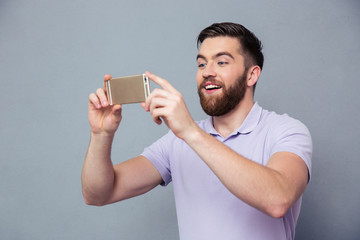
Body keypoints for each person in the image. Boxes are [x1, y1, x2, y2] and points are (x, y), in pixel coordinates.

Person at [82, 22, 312, 240]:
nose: (206, 72)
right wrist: (101, 136)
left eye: (221, 62)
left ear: (251, 75)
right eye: (202, 64)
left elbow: (278, 199)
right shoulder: (177, 141)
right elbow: (98, 194)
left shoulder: (286, 131)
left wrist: (191, 132)